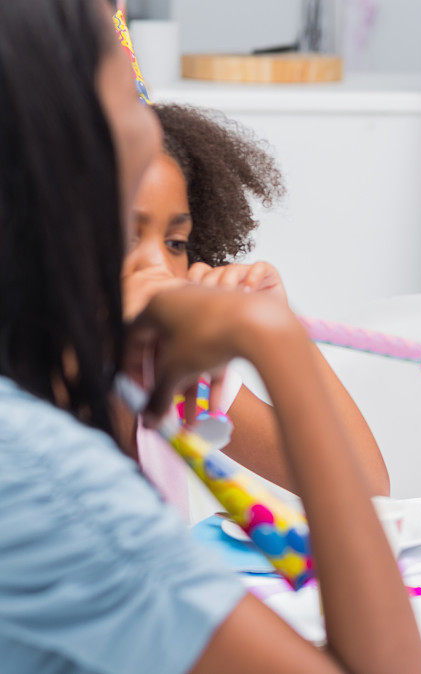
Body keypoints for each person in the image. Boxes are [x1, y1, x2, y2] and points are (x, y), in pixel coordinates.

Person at [0, 2, 421, 672]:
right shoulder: (49, 479)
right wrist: (267, 338)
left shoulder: (160, 382)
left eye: (175, 241)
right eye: (116, 84)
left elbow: (368, 478)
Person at [122, 103, 389, 505]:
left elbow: (365, 486)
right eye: (126, 237)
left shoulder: (171, 373)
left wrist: (283, 332)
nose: (160, 267)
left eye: (176, 244)